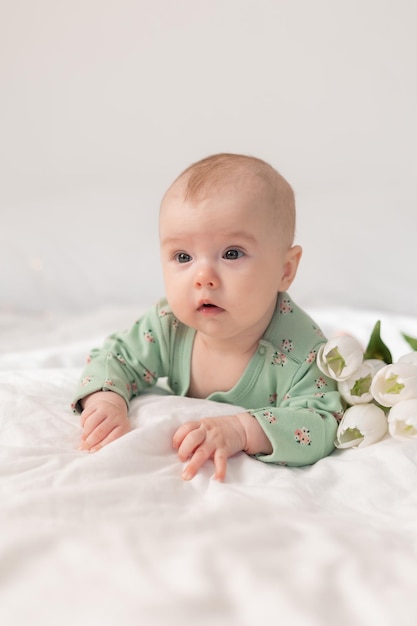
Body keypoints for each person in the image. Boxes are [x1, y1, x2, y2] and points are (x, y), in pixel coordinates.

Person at [72, 153, 343, 481]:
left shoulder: (302, 353)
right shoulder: (170, 324)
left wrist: (242, 430)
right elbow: (115, 357)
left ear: (285, 270)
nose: (203, 277)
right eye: (182, 256)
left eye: (232, 253)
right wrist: (106, 401)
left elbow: (321, 422)